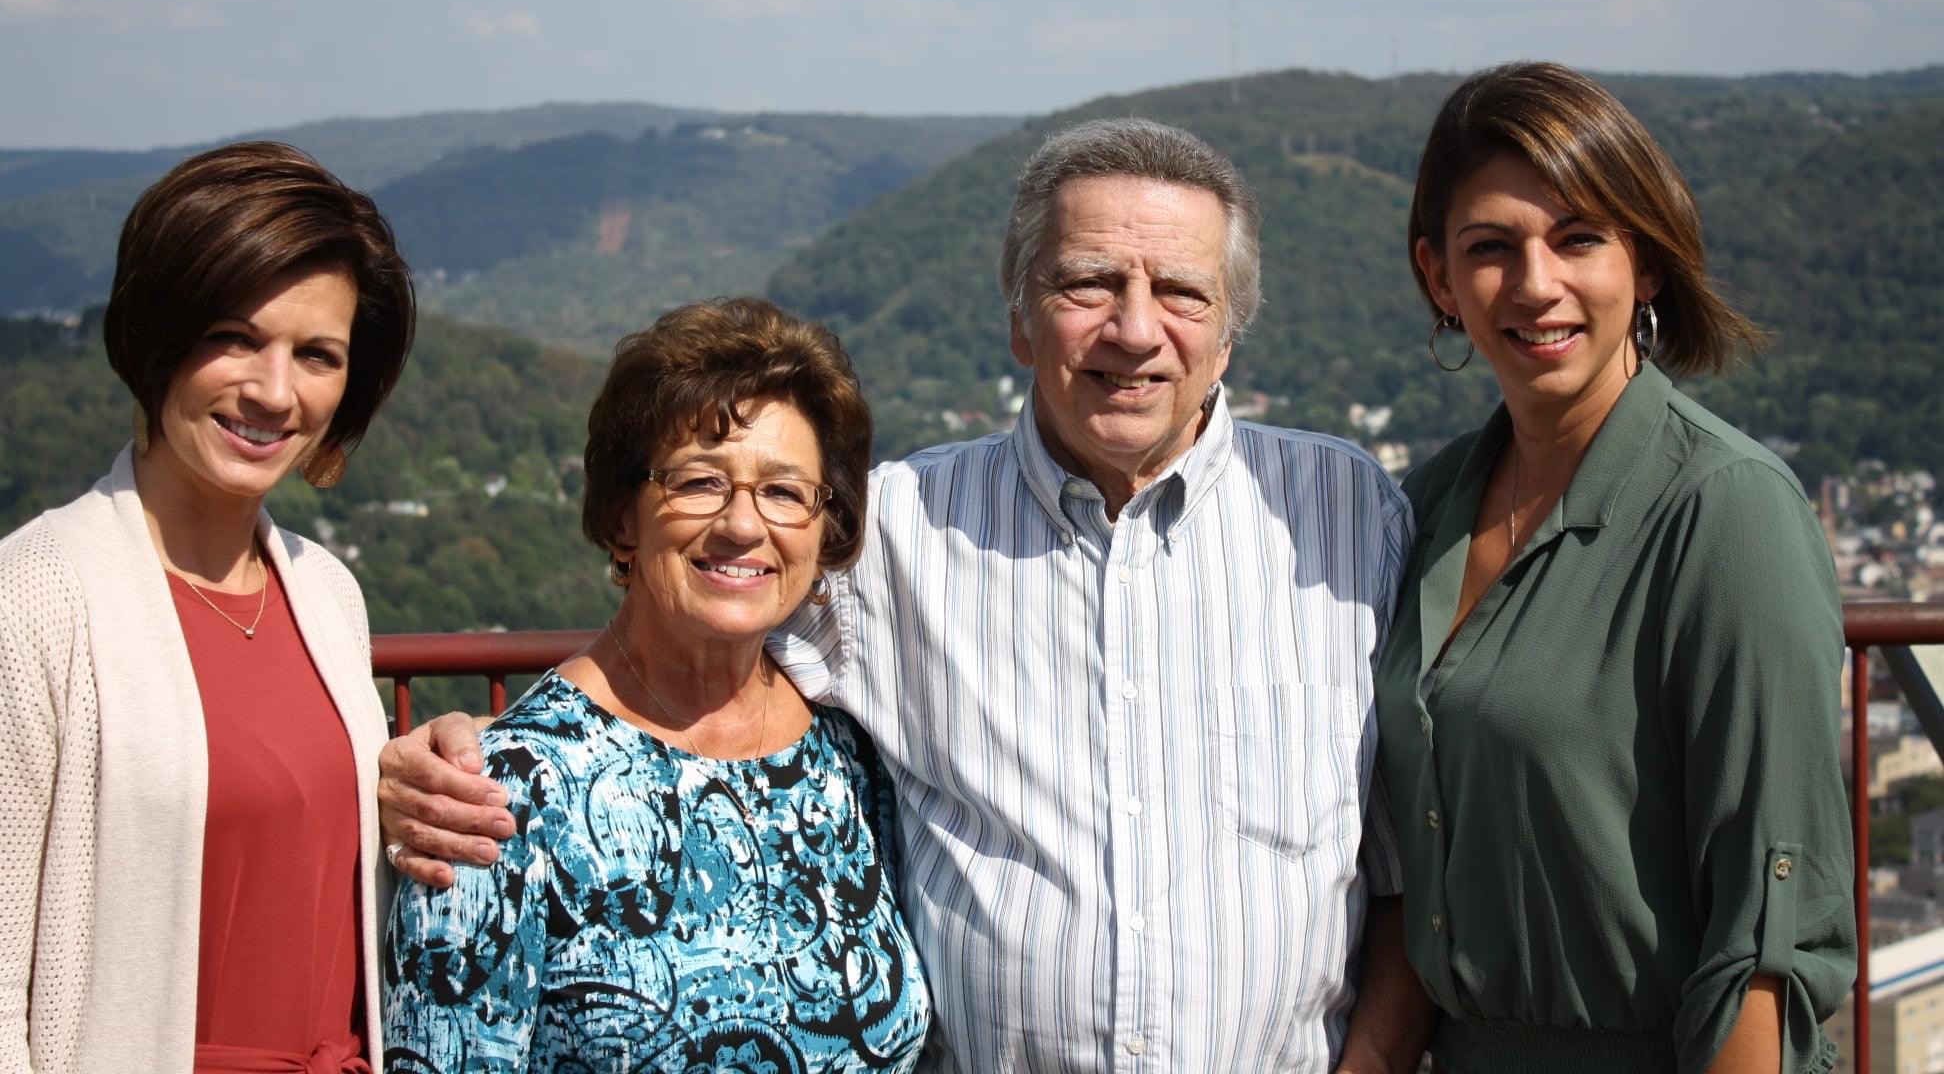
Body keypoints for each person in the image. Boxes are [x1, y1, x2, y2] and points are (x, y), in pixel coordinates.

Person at [380, 119, 1429, 1072]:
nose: (1135, 329)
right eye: (1088, 284)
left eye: (1184, 293)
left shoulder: (1346, 520)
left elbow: (1400, 863)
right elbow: (688, 631)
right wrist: (437, 762)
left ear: (1231, 332)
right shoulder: (894, 536)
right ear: (1020, 323)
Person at [1375, 62, 1855, 1072]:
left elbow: (1763, 939)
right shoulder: (1430, 506)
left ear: (1647, 264)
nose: (1536, 282)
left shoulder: (1725, 511)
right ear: (1438, 277)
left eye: (1579, 238)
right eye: (1492, 248)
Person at [383, 297, 932, 1071]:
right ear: (622, 515)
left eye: (784, 492)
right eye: (700, 481)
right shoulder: (497, 798)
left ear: (825, 528)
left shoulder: (848, 759)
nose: (744, 525)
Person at [0, 142, 415, 1072]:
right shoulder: (32, 598)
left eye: (317, 355)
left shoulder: (325, 592)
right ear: (157, 335)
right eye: (235, 337)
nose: (274, 391)